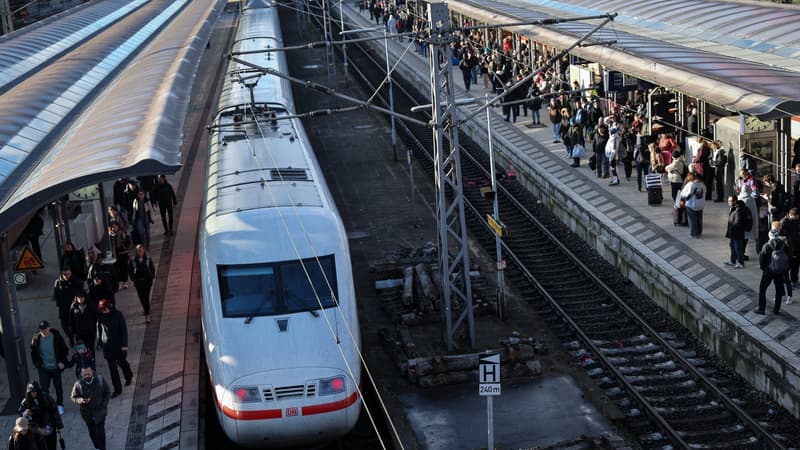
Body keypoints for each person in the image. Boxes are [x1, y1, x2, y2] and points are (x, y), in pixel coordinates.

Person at [96, 300, 133, 397]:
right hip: (107, 347)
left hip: (119, 346)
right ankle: (117, 389)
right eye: (102, 310)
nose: (103, 311)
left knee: (122, 363)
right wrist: (99, 342)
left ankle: (128, 376)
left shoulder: (118, 315)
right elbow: (99, 329)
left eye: (105, 309)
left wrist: (124, 345)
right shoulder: (100, 316)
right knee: (113, 369)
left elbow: (123, 330)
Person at [30, 322, 68, 415]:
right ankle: (46, 406)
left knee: (58, 387)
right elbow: (33, 352)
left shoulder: (56, 337)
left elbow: (64, 349)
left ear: (49, 328)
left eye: (45, 329)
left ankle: (60, 405)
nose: (43, 331)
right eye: (41, 329)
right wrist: (37, 363)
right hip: (44, 368)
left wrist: (62, 361)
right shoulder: (36, 338)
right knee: (44, 389)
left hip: (55, 367)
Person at [71, 367, 110, 450]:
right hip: (87, 414)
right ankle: (97, 446)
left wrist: (104, 405)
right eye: (84, 375)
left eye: (88, 374)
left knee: (100, 433)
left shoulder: (100, 379)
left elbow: (107, 392)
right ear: (81, 374)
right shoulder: (78, 384)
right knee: (92, 432)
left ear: (92, 372)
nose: (86, 376)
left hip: (99, 412)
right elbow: (73, 397)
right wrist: (81, 400)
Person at [18, 381, 63, 450]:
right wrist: (25, 413)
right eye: (31, 392)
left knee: (51, 445)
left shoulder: (46, 397)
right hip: (35, 428)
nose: (33, 393)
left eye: (35, 391)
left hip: (49, 425)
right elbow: (21, 412)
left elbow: (54, 411)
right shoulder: (25, 401)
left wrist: (59, 425)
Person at [757, 224, 791, 315]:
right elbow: (789, 256)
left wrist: (763, 268)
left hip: (768, 271)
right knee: (778, 290)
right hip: (780, 271)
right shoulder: (784, 245)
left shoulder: (767, 246)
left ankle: (761, 308)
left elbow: (762, 258)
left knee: (762, 289)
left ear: (769, 236)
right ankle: (776, 309)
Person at [52, 267, 82, 344]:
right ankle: (71, 337)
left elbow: (81, 292)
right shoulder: (58, 282)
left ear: (71, 273)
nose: (66, 276)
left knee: (76, 324)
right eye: (64, 274)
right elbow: (56, 294)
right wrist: (59, 304)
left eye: (68, 274)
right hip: (63, 308)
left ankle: (78, 338)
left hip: (74, 306)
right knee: (64, 326)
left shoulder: (76, 281)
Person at [128, 245, 156, 323]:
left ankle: (147, 314)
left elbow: (152, 268)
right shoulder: (133, 260)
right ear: (136, 252)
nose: (140, 252)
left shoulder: (148, 258)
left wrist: (152, 276)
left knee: (146, 297)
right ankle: (146, 309)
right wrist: (133, 278)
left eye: (141, 251)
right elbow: (130, 271)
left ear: (144, 251)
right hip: (139, 282)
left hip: (147, 281)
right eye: (138, 251)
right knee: (142, 297)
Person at [724, 196, 750, 269]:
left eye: (730, 201)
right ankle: (732, 261)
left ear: (735, 201)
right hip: (733, 232)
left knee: (738, 248)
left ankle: (740, 263)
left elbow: (737, 222)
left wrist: (732, 229)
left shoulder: (739, 209)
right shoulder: (734, 208)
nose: (728, 202)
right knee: (732, 246)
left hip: (737, 233)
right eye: (728, 201)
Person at [780, 208, 800, 291]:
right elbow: (782, 236)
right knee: (787, 266)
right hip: (789, 248)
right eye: (797, 217)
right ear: (791, 215)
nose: (798, 218)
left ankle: (795, 281)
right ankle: (786, 282)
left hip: (797, 246)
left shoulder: (796, 220)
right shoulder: (784, 222)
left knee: (795, 266)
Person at [680, 173, 706, 238]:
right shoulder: (703, 185)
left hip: (691, 204)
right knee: (699, 218)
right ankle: (699, 232)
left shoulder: (690, 184)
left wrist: (682, 198)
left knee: (692, 219)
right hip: (701, 204)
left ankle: (694, 233)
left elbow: (683, 194)